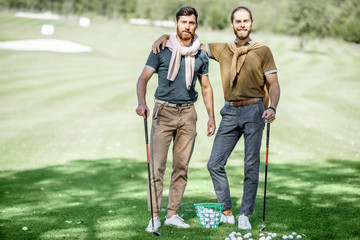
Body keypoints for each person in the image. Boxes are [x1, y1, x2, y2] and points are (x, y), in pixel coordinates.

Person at [152, 6, 280, 230]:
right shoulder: (223, 49)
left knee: (251, 165)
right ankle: (227, 211)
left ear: (251, 23)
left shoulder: (263, 50)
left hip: (255, 110)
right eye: (238, 21)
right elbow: (188, 44)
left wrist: (273, 108)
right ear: (232, 24)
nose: (242, 25)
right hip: (230, 112)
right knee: (214, 163)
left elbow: (274, 84)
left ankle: (245, 215)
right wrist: (165, 37)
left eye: (246, 21)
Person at [136, 6, 216, 233]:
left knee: (181, 167)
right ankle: (154, 217)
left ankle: (172, 214)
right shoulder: (160, 48)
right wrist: (142, 103)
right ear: (176, 24)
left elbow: (207, 88)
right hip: (164, 112)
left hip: (189, 114)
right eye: (183, 22)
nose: (187, 27)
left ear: (196, 25)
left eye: (191, 23)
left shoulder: (200, 53)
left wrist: (211, 116)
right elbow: (142, 80)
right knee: (157, 168)